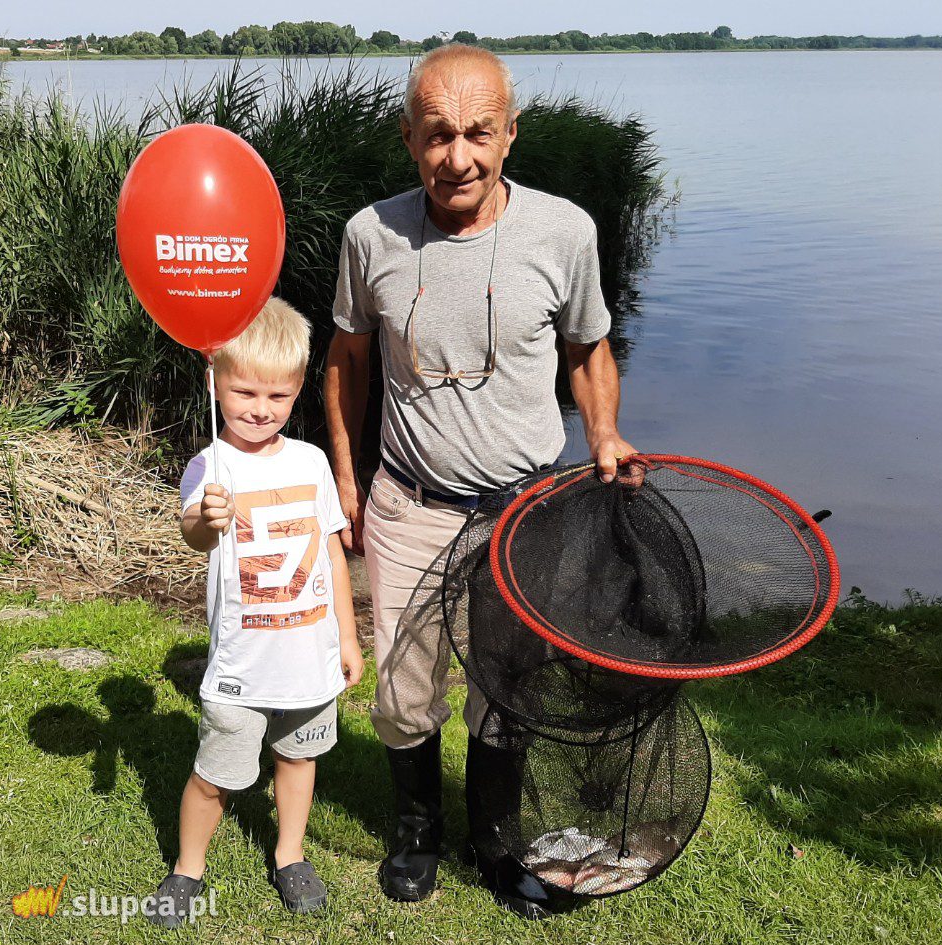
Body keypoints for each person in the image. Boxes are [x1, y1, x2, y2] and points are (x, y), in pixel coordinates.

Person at [324, 44, 637, 919]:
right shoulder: (369, 234)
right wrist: (347, 479)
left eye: (476, 133)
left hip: (524, 515)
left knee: (510, 688)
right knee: (402, 688)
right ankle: (418, 832)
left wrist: (605, 433)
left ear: (509, 134)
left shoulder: (565, 230)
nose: (455, 157)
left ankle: (496, 846)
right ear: (408, 138)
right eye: (436, 135)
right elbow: (344, 363)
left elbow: (588, 349)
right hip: (409, 506)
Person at [146, 298, 365, 928]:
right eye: (244, 391)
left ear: (298, 390)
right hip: (243, 663)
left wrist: (347, 639)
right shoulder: (210, 467)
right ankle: (188, 867)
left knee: (299, 760)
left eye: (278, 395)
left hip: (309, 657)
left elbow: (330, 555)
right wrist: (204, 518)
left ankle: (289, 854)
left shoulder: (313, 463)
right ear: (216, 380)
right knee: (215, 774)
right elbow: (195, 530)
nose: (260, 408)